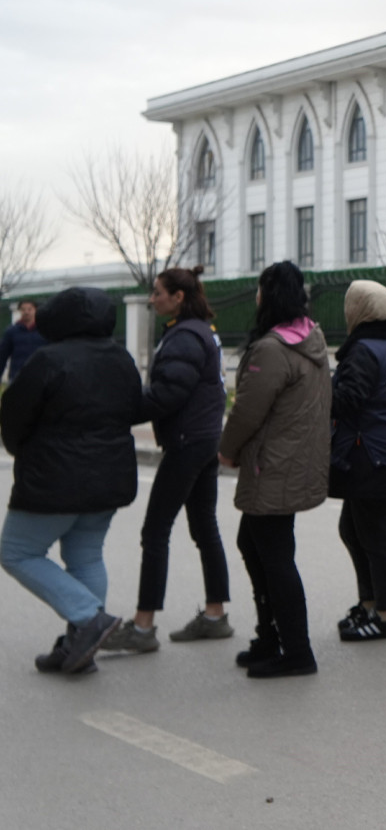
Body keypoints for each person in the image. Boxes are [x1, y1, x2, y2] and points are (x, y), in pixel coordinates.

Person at [1, 287, 141, 675]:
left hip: (54, 479)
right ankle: (80, 646)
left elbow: (14, 415)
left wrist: (18, 448)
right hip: (110, 476)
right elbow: (135, 407)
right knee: (87, 556)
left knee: (16, 552)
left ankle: (89, 619)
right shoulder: (121, 358)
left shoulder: (48, 359)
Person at [102, 267, 231, 655]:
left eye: (158, 292)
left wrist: (119, 412)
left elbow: (167, 393)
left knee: (155, 531)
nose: (152, 298)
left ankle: (143, 627)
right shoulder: (200, 331)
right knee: (205, 527)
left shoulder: (185, 336)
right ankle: (215, 615)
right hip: (205, 438)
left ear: (178, 297)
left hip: (188, 442)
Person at [220, 262, 331, 679]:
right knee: (254, 544)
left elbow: (248, 411)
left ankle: (296, 651)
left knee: (275, 557)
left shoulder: (272, 349)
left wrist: (226, 450)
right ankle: (270, 637)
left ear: (269, 295)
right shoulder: (311, 338)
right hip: (293, 461)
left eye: (260, 289)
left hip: (274, 464)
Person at [328, 281, 386, 643]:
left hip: (374, 455)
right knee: (354, 529)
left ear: (358, 310)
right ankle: (369, 603)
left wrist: (321, 391)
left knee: (376, 536)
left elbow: (348, 400)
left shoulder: (365, 350)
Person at [0, 299, 45, 382]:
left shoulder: (44, 330)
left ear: (36, 310)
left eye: (29, 309)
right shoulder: (11, 332)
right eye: (23, 309)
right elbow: (2, 356)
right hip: (17, 376)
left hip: (41, 376)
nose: (26, 312)